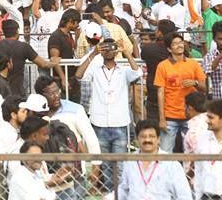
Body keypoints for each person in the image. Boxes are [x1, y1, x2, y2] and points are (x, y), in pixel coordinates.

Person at [74, 37, 142, 189]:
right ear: (101, 51)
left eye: (112, 47)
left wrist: (126, 52)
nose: (108, 50)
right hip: (100, 122)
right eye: (105, 48)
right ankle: (109, 193)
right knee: (105, 164)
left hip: (120, 122)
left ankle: (119, 193)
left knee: (120, 164)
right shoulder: (95, 70)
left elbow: (137, 73)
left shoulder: (123, 71)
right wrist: (93, 53)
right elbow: (78, 75)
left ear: (116, 50)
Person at [153, 32, 206, 152]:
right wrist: (162, 119)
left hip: (191, 116)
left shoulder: (193, 64)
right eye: (175, 43)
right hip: (170, 116)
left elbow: (204, 87)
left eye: (180, 42)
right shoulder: (162, 66)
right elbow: (160, 93)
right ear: (169, 48)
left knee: (194, 151)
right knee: (165, 153)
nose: (179, 45)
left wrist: (195, 83)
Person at [117, 119, 193, 200]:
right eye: (143, 136)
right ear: (137, 139)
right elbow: (123, 190)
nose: (147, 140)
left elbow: (184, 196)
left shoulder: (172, 164)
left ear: (158, 139)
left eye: (151, 136)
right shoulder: (129, 161)